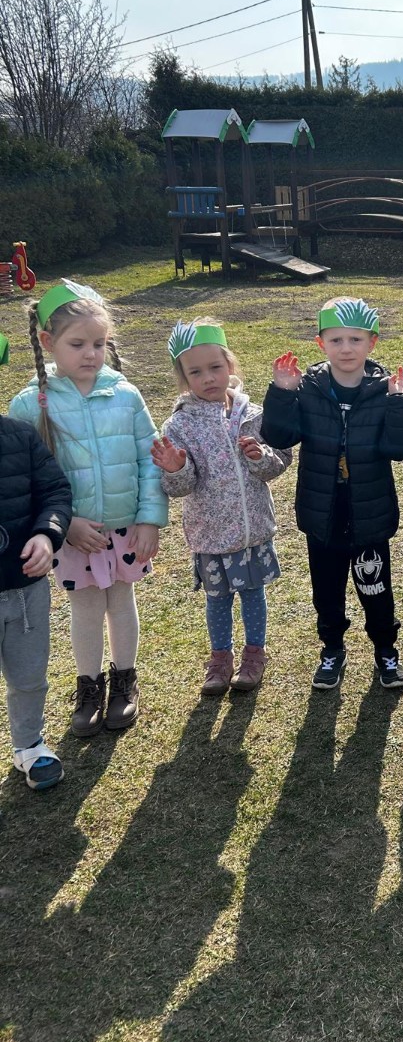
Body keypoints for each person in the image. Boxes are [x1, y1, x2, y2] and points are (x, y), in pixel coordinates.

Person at [9, 279, 168, 735]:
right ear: (47, 342)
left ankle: (125, 681)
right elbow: (24, 479)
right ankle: (89, 686)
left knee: (121, 601)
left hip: (125, 528)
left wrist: (149, 519)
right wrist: (63, 525)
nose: (90, 354)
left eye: (98, 343)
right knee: (85, 608)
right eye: (77, 344)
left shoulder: (126, 394)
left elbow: (150, 458)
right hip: (75, 535)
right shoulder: (30, 405)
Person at [260, 296, 403, 691]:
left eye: (355, 339)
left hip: (369, 513)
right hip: (323, 511)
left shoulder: (386, 388)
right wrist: (283, 392)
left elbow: (398, 450)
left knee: (375, 587)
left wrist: (401, 403)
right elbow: (280, 436)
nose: (346, 348)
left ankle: (386, 649)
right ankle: (332, 648)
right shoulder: (309, 387)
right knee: (327, 589)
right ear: (321, 343)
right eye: (336, 340)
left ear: (372, 342)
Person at [151, 319, 292, 697]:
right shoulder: (179, 425)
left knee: (253, 594)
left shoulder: (254, 415)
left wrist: (260, 457)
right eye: (195, 372)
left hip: (252, 529)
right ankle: (220, 659)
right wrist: (176, 468)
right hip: (210, 534)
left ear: (230, 364)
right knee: (217, 599)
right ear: (183, 377)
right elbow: (179, 488)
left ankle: (254, 654)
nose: (208, 377)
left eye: (215, 367)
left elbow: (279, 462)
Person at [0, 331, 73, 789]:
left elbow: (55, 491)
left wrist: (48, 535)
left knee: (29, 676)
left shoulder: (19, 436)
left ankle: (29, 746)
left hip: (25, 589)